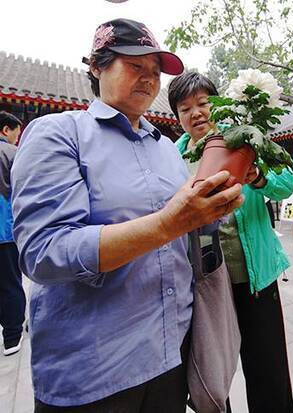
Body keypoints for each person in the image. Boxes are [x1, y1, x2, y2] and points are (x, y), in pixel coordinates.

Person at [11, 19, 244, 411]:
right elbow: (45, 252)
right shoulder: (58, 134)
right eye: (135, 65)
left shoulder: (168, 149)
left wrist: (210, 210)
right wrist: (168, 223)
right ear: (97, 67)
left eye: (154, 71)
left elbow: (189, 234)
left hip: (171, 354)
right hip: (95, 368)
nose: (149, 79)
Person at [169, 71, 293, 413]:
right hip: (205, 282)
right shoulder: (171, 156)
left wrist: (257, 175)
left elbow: (285, 184)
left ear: (219, 104)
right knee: (211, 370)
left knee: (268, 367)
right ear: (177, 116)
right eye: (185, 108)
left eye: (203, 103)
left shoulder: (243, 139)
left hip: (253, 276)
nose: (196, 113)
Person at [0, 111, 26, 356]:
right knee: (10, 283)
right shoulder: (11, 153)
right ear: (6, 130)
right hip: (5, 231)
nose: (18, 137)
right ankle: (12, 335)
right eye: (17, 132)